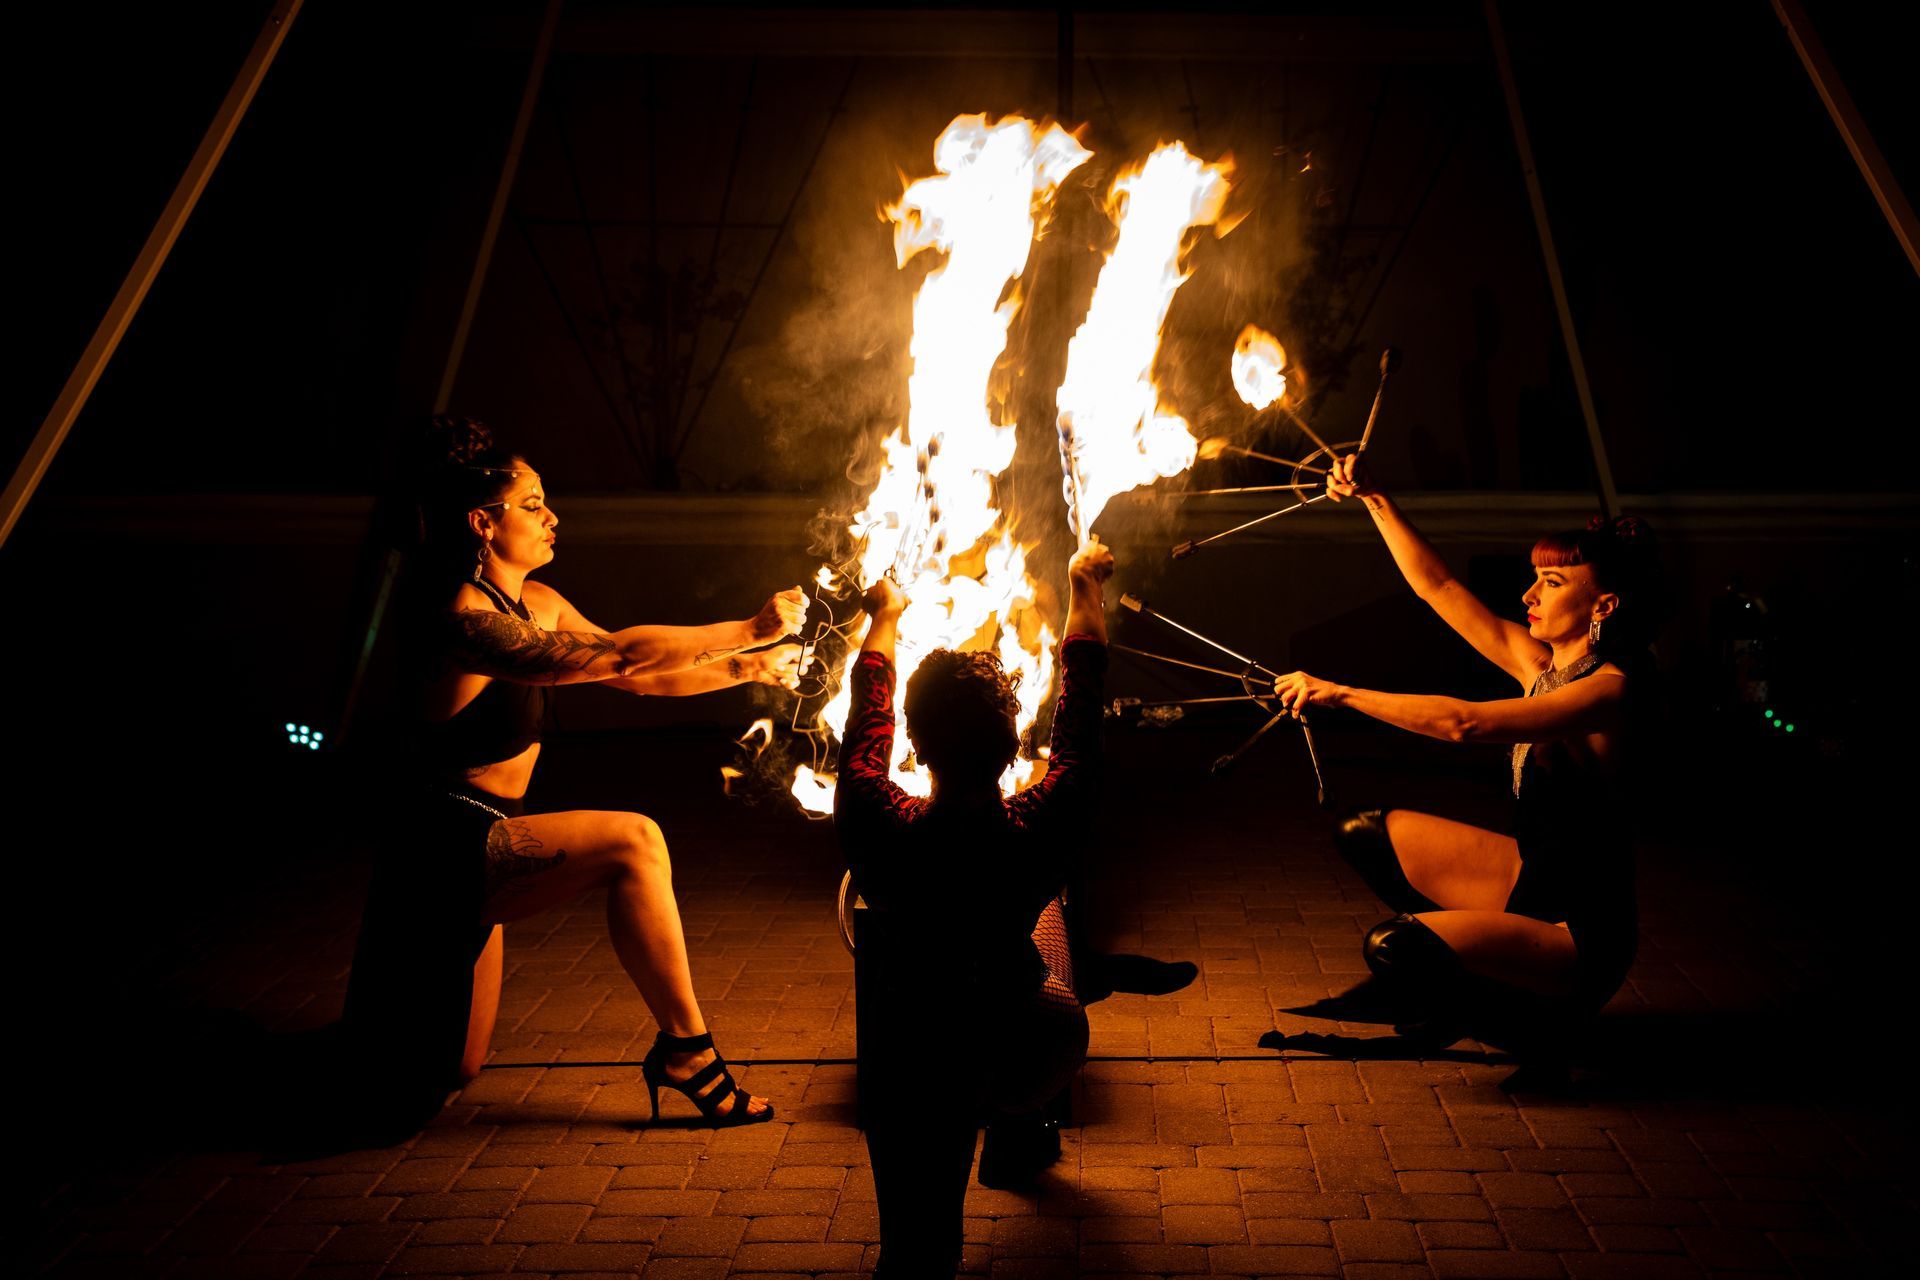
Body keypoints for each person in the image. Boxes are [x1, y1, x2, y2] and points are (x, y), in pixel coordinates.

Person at [341, 417, 807, 1132]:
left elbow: (639, 679)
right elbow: (623, 657)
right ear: (482, 523)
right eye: (532, 505)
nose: (552, 517)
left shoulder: (538, 605)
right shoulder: (463, 620)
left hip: (488, 834)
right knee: (635, 842)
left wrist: (749, 669)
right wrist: (746, 630)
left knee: (456, 1069)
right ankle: (688, 1053)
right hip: (438, 842)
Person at [1269, 453, 1662, 1056]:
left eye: (1552, 583)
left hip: (1577, 935)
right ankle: (1469, 972)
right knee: (1364, 831)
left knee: (1394, 947)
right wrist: (1374, 496)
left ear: (1604, 606)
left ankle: (1534, 1023)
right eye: (1533, 576)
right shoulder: (1540, 665)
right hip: (1531, 882)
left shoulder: (1611, 691)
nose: (1529, 593)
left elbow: (1464, 724)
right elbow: (1440, 587)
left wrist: (1341, 693)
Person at [835, 539, 1114, 1279]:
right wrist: (1084, 585)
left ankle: (934, 1232)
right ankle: (1020, 1131)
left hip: (916, 1060)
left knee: (918, 1255)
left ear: (918, 747)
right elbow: (1081, 711)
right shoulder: (1045, 819)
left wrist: (885, 618)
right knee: (1046, 909)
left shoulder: (875, 815)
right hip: (1032, 1045)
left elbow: (866, 724)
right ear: (1011, 743)